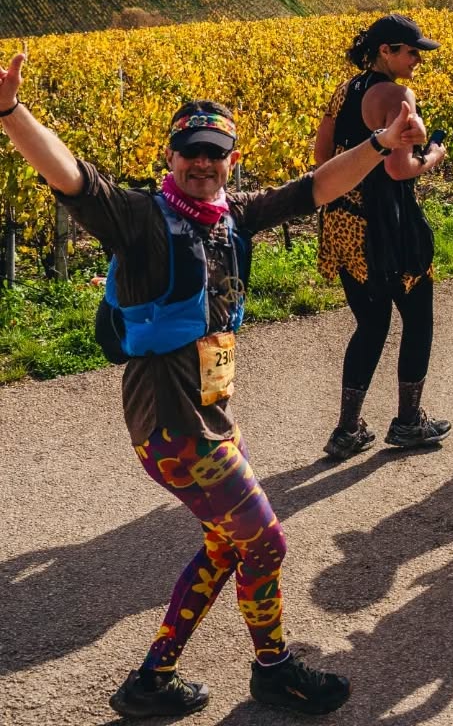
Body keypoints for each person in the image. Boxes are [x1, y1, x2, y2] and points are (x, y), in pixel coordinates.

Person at [0, 52, 426, 719]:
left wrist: (379, 144)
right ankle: (274, 671)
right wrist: (10, 113)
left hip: (209, 417)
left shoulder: (232, 216)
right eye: (190, 152)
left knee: (229, 545)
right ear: (171, 156)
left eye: (215, 154)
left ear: (231, 158)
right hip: (171, 426)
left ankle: (153, 679)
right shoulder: (139, 219)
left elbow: (315, 186)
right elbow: (71, 177)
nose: (202, 164)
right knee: (266, 541)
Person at [314, 13, 450, 460]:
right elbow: (398, 168)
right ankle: (408, 422)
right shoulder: (396, 94)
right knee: (419, 318)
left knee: (370, 324)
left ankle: (346, 430)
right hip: (388, 225)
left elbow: (322, 160)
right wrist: (433, 156)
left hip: (343, 223)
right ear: (386, 51)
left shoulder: (343, 90)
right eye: (411, 51)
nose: (417, 60)